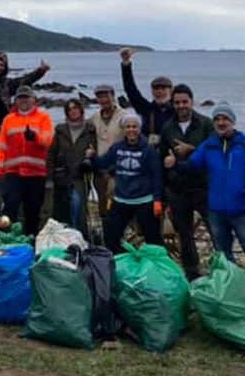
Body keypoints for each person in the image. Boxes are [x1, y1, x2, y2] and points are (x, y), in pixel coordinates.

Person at [175, 102, 245, 300]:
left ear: (233, 122)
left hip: (242, 211)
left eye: (225, 119)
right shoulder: (209, 145)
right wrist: (175, 163)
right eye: (217, 119)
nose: (221, 122)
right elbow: (192, 166)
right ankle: (231, 292)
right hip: (216, 210)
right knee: (223, 255)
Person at [158, 83, 214, 279]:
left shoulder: (206, 124)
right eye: (177, 102)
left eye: (184, 102)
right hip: (177, 189)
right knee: (184, 234)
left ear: (192, 101)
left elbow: (215, 154)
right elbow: (162, 157)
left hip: (203, 187)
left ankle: (223, 269)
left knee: (215, 230)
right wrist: (166, 164)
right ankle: (192, 275)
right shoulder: (168, 127)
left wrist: (191, 150)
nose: (181, 106)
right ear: (173, 104)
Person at [85, 112, 163, 254]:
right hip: (121, 200)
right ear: (124, 129)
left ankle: (157, 267)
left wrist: (157, 200)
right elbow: (103, 163)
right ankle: (122, 261)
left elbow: (157, 175)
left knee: (153, 239)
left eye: (134, 127)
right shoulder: (117, 147)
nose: (131, 130)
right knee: (110, 235)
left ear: (139, 129)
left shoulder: (148, 150)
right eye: (128, 127)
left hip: (144, 200)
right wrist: (93, 157)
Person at [0, 86, 54, 237]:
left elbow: (49, 140)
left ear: (34, 99)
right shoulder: (8, 120)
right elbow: (1, 147)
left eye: (27, 97)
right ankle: (8, 240)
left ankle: (30, 243)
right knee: (10, 209)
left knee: (33, 212)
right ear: (16, 101)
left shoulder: (43, 118)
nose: (24, 100)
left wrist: (35, 137)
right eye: (20, 97)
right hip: (13, 174)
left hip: (36, 174)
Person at [47, 99, 96, 234]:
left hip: (80, 176)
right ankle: (66, 239)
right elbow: (51, 154)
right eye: (69, 109)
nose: (73, 111)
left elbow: (96, 151)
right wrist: (50, 178)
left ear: (81, 110)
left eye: (75, 108)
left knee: (78, 209)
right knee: (63, 211)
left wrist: (91, 156)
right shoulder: (60, 131)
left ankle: (80, 237)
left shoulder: (90, 130)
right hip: (62, 177)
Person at [118, 47, 175, 144]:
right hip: (150, 155)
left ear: (171, 90)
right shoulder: (146, 109)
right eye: (156, 89)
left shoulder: (178, 110)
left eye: (163, 88)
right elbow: (131, 90)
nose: (159, 92)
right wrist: (126, 64)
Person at [88, 83, 125, 218]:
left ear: (113, 96)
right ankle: (107, 235)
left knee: (120, 206)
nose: (104, 100)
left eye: (106, 96)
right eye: (100, 97)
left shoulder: (124, 117)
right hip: (99, 170)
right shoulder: (94, 118)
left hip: (119, 170)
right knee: (103, 208)